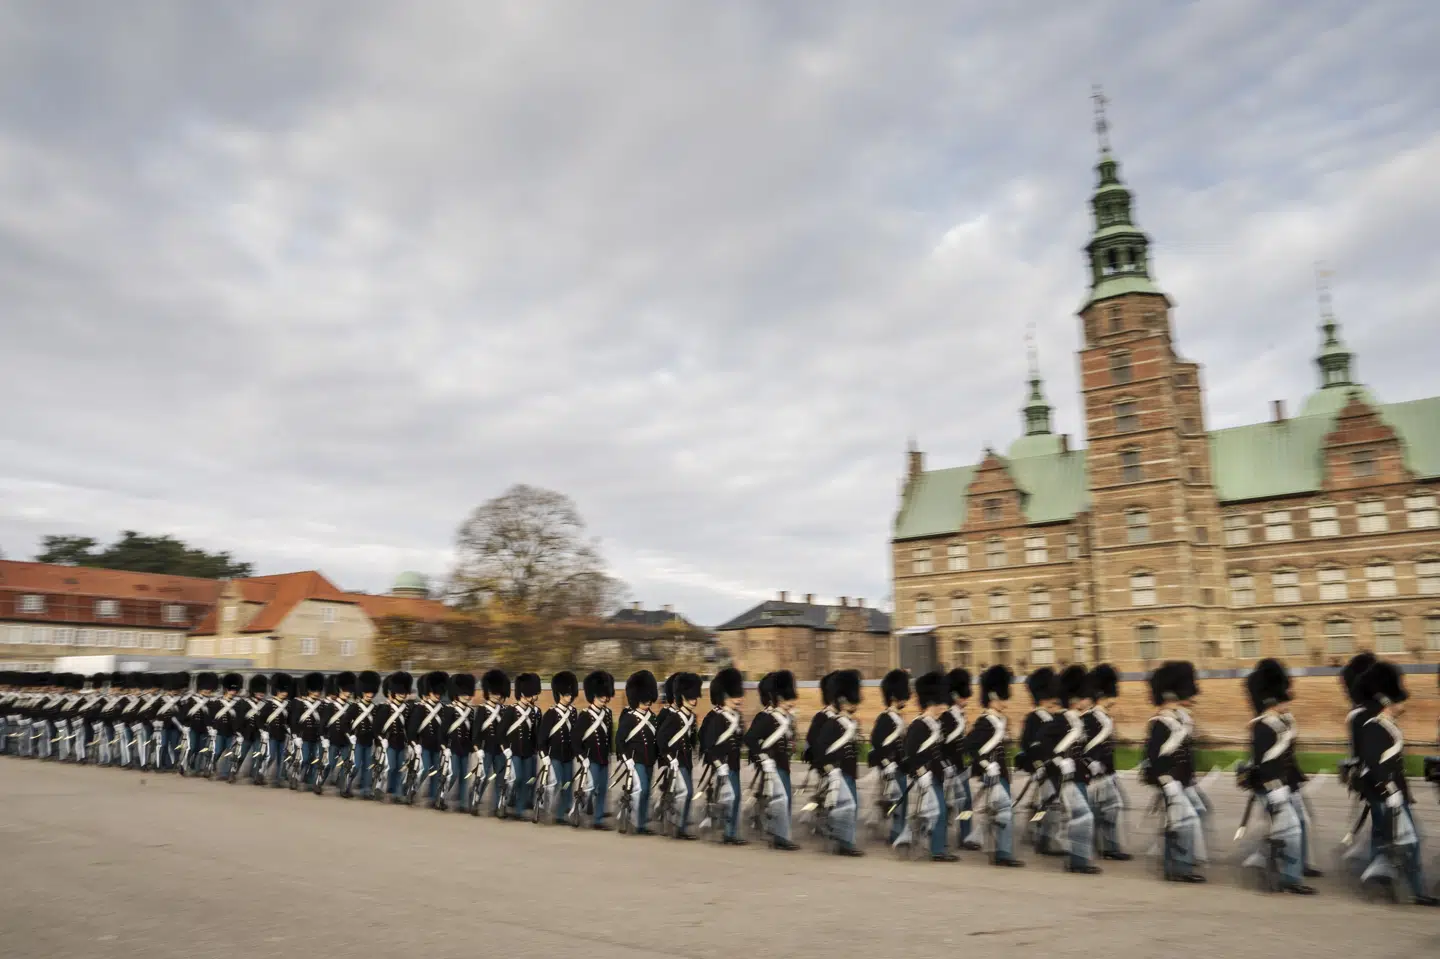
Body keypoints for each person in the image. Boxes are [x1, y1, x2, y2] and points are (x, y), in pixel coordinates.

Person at [1356, 661, 1437, 905]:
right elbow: (1373, 764)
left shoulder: (1388, 726)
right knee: (1409, 841)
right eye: (1398, 700)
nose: (1403, 704)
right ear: (1386, 702)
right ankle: (1416, 891)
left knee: (1387, 840)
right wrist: (1390, 792)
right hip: (1387, 796)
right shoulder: (1374, 728)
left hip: (1391, 795)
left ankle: (1382, 882)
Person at [1243, 658, 1314, 895]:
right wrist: (1275, 787)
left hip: (1286, 783)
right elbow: (1264, 760)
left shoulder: (1281, 722)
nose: (1288, 702)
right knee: (1288, 829)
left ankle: (1285, 867)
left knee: (1293, 826)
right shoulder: (1262, 726)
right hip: (1272, 786)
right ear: (1273, 700)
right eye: (1284, 699)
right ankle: (1288, 876)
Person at [1146, 662, 1205, 883]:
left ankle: (1178, 864)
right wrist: (1167, 782)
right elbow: (1154, 757)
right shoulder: (1160, 723)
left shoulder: (1179, 721)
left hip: (1181, 780)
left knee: (1182, 820)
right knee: (1183, 821)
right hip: (1170, 781)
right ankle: (1179, 868)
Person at [961, 664, 1024, 867]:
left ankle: (998, 850)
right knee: (1004, 812)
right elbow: (969, 747)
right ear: (994, 696)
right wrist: (986, 765)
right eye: (1004, 696)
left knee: (1000, 813)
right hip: (991, 774)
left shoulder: (1001, 720)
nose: (1006, 701)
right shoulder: (986, 722)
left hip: (1001, 773)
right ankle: (1002, 854)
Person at [1045, 664, 1099, 875]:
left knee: (1080, 817)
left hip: (1079, 775)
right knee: (1082, 817)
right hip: (1066, 778)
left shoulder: (1076, 721)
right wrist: (1059, 761)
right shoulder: (1060, 721)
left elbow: (1079, 748)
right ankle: (1077, 861)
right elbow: (1044, 747)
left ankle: (1079, 859)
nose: (1085, 701)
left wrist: (1088, 764)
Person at [745, 670, 800, 850]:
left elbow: (789, 740)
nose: (789, 702)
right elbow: (751, 739)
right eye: (785, 699)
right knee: (781, 799)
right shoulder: (766, 718)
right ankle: (780, 837)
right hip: (771, 765)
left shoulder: (787, 718)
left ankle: (776, 832)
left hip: (783, 764)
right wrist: (763, 758)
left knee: (781, 799)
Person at [812, 669, 865, 857]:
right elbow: (820, 750)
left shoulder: (851, 723)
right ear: (842, 700)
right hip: (838, 773)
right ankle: (845, 843)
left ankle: (844, 840)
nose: (855, 704)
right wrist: (830, 770)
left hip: (850, 771)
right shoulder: (832, 723)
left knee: (851, 807)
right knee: (846, 807)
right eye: (851, 700)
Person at [903, 670, 954, 861]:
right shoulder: (919, 725)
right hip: (926, 777)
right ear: (932, 702)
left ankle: (934, 846)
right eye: (941, 703)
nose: (944, 707)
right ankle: (937, 850)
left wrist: (945, 766)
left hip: (937, 775)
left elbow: (936, 751)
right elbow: (910, 752)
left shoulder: (935, 724)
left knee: (936, 812)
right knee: (936, 812)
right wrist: (921, 773)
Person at [1082, 663, 1129, 861]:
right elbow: (1083, 745)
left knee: (1111, 810)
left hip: (1108, 772)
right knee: (1096, 812)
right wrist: (1091, 763)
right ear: (1103, 694)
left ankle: (1109, 847)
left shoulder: (1104, 717)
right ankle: (1093, 846)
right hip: (1094, 775)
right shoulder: (1090, 718)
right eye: (1111, 695)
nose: (1114, 700)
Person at [1017, 666, 1063, 856]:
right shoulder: (1034, 718)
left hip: (1056, 766)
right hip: (1043, 767)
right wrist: (1038, 765)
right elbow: (1027, 743)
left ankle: (1034, 831)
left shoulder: (1054, 716)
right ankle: (1045, 840)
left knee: (1043, 803)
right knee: (1048, 804)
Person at [699, 667, 747, 845]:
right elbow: (710, 745)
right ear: (725, 696)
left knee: (734, 797)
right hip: (722, 764)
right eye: (736, 695)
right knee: (726, 797)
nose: (739, 699)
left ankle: (730, 831)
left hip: (733, 764)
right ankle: (727, 832)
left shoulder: (737, 717)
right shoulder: (718, 718)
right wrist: (718, 764)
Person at [656, 672, 702, 839]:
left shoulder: (692, 717)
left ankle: (677, 824)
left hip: (686, 760)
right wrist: (669, 758)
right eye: (690, 697)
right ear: (682, 697)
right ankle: (678, 827)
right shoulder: (674, 717)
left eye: (695, 697)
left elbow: (691, 739)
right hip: (676, 761)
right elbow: (661, 738)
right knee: (687, 792)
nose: (694, 700)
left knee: (683, 793)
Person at [868, 668, 911, 846]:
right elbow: (877, 742)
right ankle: (896, 834)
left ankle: (897, 832)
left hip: (900, 766)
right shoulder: (885, 718)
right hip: (891, 768)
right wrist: (887, 763)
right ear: (894, 696)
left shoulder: (898, 718)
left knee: (901, 801)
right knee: (898, 802)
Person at [615, 669, 658, 834]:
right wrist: (626, 759)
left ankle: (640, 823)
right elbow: (619, 740)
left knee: (646, 793)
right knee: (642, 789)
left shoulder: (652, 717)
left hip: (649, 759)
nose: (647, 702)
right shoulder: (629, 717)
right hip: (635, 760)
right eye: (644, 698)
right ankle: (634, 821)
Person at [942, 668, 980, 852]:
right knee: (944, 805)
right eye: (964, 696)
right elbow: (945, 743)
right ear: (956, 695)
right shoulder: (947, 716)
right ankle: (939, 837)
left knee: (966, 803)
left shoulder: (960, 716)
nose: (966, 699)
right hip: (947, 767)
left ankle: (965, 836)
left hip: (960, 766)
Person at [577, 670, 615, 830]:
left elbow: (609, 734)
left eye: (606, 695)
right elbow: (576, 739)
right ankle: (580, 809)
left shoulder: (608, 714)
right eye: (602, 695)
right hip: (590, 758)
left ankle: (598, 819)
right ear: (593, 695)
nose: (605, 698)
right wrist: (581, 756)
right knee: (590, 789)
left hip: (603, 757)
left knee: (602, 788)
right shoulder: (585, 715)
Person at [539, 671, 579, 824]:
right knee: (556, 783)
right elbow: (542, 737)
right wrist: (544, 756)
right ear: (560, 694)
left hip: (568, 755)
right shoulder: (551, 713)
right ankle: (546, 806)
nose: (570, 697)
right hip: (554, 754)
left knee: (568, 784)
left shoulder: (573, 712)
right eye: (567, 694)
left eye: (571, 694)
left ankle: (562, 813)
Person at [503, 673, 542, 816]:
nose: (534, 697)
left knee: (527, 780)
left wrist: (540, 749)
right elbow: (502, 732)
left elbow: (537, 733)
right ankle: (508, 796)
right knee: (517, 778)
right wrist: (505, 748)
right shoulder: (511, 710)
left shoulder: (535, 712)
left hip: (528, 751)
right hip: (513, 750)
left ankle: (519, 809)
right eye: (531, 694)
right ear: (523, 694)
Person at [408, 671, 449, 808]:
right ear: (429, 692)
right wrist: (414, 744)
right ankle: (412, 789)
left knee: (437, 772)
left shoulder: (443, 709)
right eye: (435, 692)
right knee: (424, 769)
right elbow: (412, 730)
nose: (437, 695)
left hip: (437, 746)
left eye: (439, 693)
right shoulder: (420, 709)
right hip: (423, 744)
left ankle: (433, 797)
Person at [473, 670, 510, 815]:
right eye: (494, 693)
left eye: (499, 693)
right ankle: (475, 801)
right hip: (486, 748)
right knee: (483, 777)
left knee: (500, 779)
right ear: (488, 692)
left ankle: (498, 806)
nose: (497, 695)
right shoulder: (482, 710)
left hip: (500, 750)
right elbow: (476, 731)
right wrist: (477, 748)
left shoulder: (504, 710)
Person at [439, 673, 476, 812]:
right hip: (452, 747)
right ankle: (441, 796)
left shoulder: (470, 711)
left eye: (468, 694)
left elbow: (471, 730)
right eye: (464, 694)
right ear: (457, 694)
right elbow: (443, 731)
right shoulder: (450, 710)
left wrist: (475, 747)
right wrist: (444, 746)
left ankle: (462, 802)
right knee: (452, 774)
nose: (467, 697)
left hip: (464, 747)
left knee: (464, 776)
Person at [375, 671, 413, 802]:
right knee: (389, 767)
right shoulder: (385, 708)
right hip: (388, 741)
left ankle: (395, 792)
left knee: (399, 768)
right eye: (400, 692)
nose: (403, 695)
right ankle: (380, 787)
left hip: (401, 742)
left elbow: (408, 727)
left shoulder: (407, 708)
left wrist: (411, 743)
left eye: (404, 692)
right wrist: (381, 740)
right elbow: (377, 727)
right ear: (394, 692)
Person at [319, 672, 357, 795]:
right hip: (333, 739)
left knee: (346, 765)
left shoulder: (351, 706)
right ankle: (319, 783)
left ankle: (343, 787)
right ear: (340, 690)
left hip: (345, 740)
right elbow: (323, 723)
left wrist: (353, 734)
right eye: (346, 691)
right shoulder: (331, 706)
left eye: (349, 692)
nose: (348, 694)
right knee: (329, 764)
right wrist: (323, 737)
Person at [290, 672, 327, 789]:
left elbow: (323, 721)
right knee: (303, 759)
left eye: (318, 690)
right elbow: (294, 720)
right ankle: (295, 777)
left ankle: (310, 780)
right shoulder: (301, 704)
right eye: (314, 690)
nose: (317, 693)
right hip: (303, 736)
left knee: (315, 760)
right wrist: (295, 736)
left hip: (316, 736)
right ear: (309, 690)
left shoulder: (321, 704)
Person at [348, 671, 381, 799]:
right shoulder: (355, 707)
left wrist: (378, 742)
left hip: (368, 741)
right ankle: (347, 786)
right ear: (362, 692)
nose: (369, 695)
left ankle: (366, 790)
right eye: (367, 692)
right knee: (355, 765)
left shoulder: (374, 708)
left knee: (367, 767)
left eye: (371, 692)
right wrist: (350, 735)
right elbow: (346, 722)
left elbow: (376, 727)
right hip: (357, 740)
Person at [210, 673, 245, 780]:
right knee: (218, 751)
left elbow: (239, 718)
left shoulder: (238, 703)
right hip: (220, 731)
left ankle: (225, 773)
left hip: (232, 732)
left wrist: (239, 732)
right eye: (231, 690)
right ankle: (211, 764)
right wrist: (212, 729)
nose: (233, 692)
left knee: (229, 753)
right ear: (226, 689)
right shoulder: (218, 702)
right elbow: (213, 716)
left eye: (235, 690)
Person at [261, 673, 293, 786]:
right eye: (282, 691)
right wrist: (263, 731)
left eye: (286, 691)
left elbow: (289, 720)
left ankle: (279, 778)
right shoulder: (269, 704)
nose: (285, 693)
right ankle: (261, 774)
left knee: (282, 758)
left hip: (283, 734)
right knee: (270, 756)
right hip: (271, 733)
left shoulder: (288, 704)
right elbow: (261, 718)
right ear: (277, 691)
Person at [237, 674, 268, 783]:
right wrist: (238, 733)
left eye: (262, 692)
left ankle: (255, 776)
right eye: (259, 691)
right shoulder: (245, 703)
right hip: (246, 733)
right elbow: (240, 718)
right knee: (240, 754)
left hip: (258, 734)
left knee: (258, 755)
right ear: (253, 691)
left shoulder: (265, 704)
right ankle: (231, 772)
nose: (261, 694)